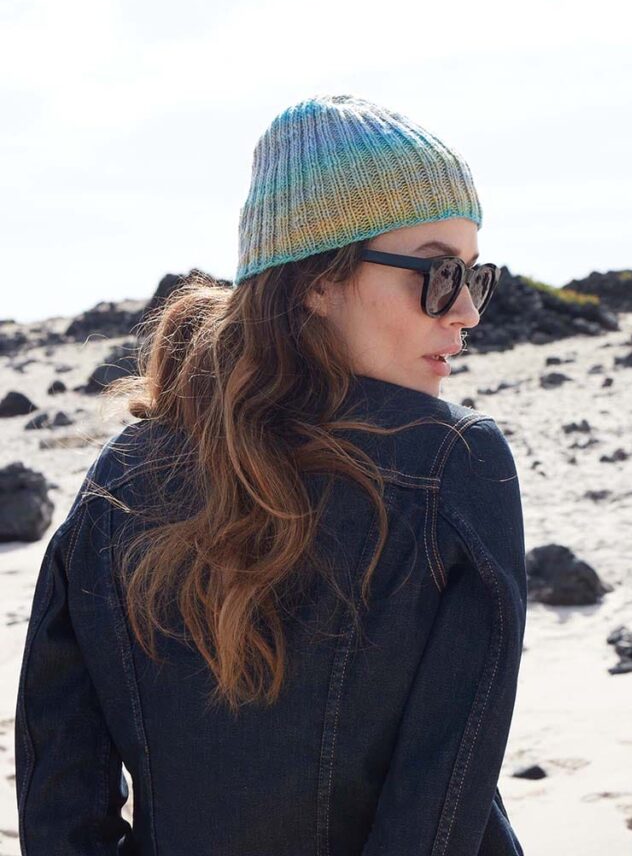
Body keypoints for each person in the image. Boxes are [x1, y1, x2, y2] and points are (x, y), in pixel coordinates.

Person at [14, 93, 527, 854]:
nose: (466, 312)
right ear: (318, 280)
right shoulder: (454, 463)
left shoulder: (119, 477)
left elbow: (58, 798)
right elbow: (439, 808)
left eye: (474, 277)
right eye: (438, 273)